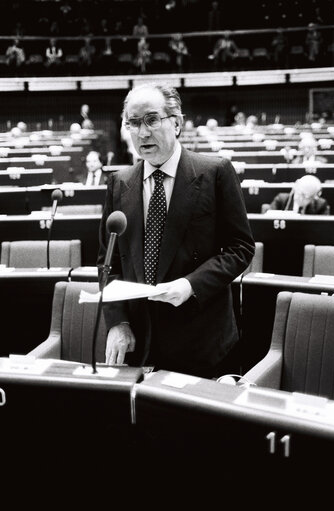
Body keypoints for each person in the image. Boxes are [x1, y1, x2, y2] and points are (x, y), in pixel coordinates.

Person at [97, 82, 255, 379]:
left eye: (152, 120)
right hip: (140, 344)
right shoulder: (119, 182)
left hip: (202, 343)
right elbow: (108, 263)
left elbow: (240, 248)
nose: (142, 132)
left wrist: (191, 284)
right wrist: (118, 322)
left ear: (177, 123)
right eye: (133, 122)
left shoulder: (215, 172)